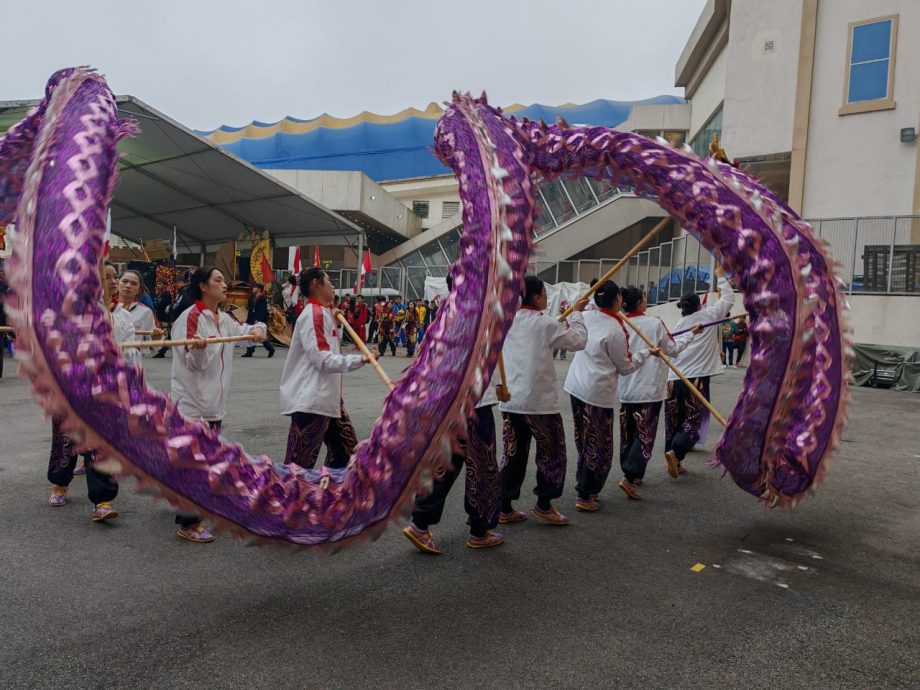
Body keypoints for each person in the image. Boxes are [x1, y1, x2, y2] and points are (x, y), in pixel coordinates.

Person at [403, 274, 504, 553]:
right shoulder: (474, 313)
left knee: (447, 463)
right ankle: (480, 529)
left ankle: (420, 523)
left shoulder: (447, 311)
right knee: (482, 465)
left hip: (450, 403)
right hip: (472, 403)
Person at [171, 266, 267, 542]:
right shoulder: (191, 318)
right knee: (199, 465)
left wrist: (258, 329)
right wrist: (198, 349)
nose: (225, 285)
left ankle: (182, 496)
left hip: (214, 404)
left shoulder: (223, 319)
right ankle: (189, 523)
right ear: (203, 286)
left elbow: (243, 333)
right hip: (192, 405)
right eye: (219, 280)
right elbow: (193, 363)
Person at [499, 275, 588, 525]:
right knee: (552, 453)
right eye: (545, 294)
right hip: (539, 403)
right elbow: (579, 341)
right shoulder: (545, 323)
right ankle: (544, 504)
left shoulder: (508, 322)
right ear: (537, 296)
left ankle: (504, 506)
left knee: (512, 454)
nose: (546, 298)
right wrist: (577, 314)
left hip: (512, 401)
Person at [563, 281, 656, 510]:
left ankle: (584, 484)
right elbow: (625, 366)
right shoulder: (615, 329)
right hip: (596, 392)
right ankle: (586, 493)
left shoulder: (586, 315)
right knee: (599, 445)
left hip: (576, 386)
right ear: (617, 300)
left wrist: (577, 310)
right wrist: (645, 354)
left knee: (583, 438)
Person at [47, 262, 128, 519]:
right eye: (107, 276)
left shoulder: (117, 313)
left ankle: (102, 501)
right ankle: (60, 482)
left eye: (114, 277)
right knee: (66, 438)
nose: (112, 281)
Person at [280, 267, 374, 469]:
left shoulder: (322, 313)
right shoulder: (313, 314)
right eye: (329, 281)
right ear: (316, 283)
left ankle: (330, 489)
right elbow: (322, 359)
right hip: (312, 402)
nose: (332, 287)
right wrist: (360, 360)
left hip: (329, 401)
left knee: (347, 459)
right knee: (297, 469)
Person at [617, 287, 699, 497]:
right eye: (644, 298)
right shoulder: (655, 323)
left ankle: (632, 473)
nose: (646, 300)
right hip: (649, 390)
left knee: (628, 434)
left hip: (626, 389)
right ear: (639, 303)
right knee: (644, 435)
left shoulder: (620, 323)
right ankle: (630, 477)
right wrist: (691, 334)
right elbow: (674, 350)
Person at [664, 266, 734, 475]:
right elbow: (728, 299)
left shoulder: (680, 323)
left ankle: (674, 456)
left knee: (675, 419)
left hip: (674, 378)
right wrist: (721, 277)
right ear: (698, 305)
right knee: (693, 420)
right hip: (696, 379)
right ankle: (676, 453)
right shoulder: (709, 314)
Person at [113, 269, 156, 353]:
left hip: (132, 358)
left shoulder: (146, 312)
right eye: (124, 281)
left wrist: (156, 337)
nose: (128, 286)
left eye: (134, 284)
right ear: (117, 283)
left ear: (139, 290)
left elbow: (155, 343)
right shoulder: (107, 307)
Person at [242, 284, 275, 358]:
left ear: (259, 289)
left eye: (255, 287)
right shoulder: (251, 298)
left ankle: (271, 349)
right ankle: (249, 352)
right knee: (250, 334)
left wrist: (258, 319)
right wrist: (248, 320)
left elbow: (263, 311)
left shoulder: (263, 299)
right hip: (252, 319)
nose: (253, 288)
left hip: (261, 320)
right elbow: (250, 310)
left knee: (262, 337)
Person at [152, 278, 173, 358]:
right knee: (164, 335)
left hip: (165, 319)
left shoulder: (167, 295)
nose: (158, 286)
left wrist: (156, 304)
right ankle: (162, 350)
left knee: (166, 335)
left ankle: (162, 351)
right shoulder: (158, 295)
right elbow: (155, 304)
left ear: (164, 285)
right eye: (158, 284)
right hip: (159, 318)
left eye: (160, 284)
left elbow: (160, 304)